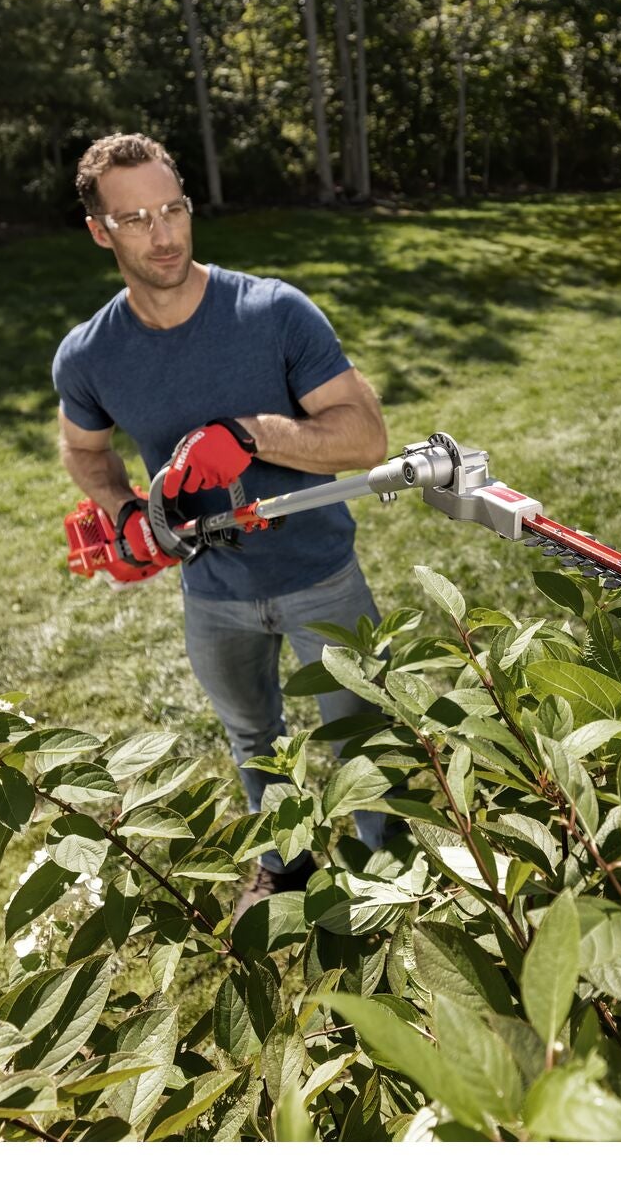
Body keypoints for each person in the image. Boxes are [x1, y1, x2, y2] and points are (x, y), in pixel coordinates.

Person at [51, 132, 394, 916]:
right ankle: (285, 867)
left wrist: (250, 435)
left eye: (172, 209)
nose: (163, 235)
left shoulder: (272, 311)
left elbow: (365, 438)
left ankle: (398, 870)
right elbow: (82, 449)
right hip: (213, 594)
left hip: (320, 577)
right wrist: (127, 510)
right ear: (101, 232)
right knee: (254, 742)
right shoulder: (90, 355)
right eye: (135, 219)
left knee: (367, 740)